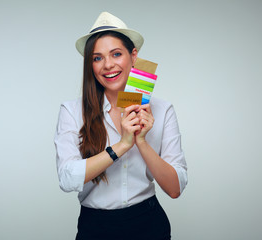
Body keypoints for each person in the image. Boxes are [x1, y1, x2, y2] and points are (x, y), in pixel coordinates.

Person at [54, 12, 187, 240]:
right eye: (97, 58)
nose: (108, 65)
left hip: (149, 224)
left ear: (133, 56)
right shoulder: (72, 111)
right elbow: (67, 179)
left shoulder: (163, 110)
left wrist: (141, 141)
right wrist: (122, 145)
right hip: (95, 228)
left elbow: (175, 189)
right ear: (90, 64)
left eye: (116, 54)